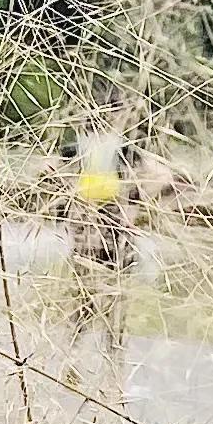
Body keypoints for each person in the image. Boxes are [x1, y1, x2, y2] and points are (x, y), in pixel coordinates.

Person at [67, 125, 138, 377]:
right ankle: (110, 363)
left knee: (87, 297)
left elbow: (57, 171)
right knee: (112, 298)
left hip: (90, 223)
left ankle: (76, 356)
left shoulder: (80, 141)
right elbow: (147, 177)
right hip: (109, 222)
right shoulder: (121, 143)